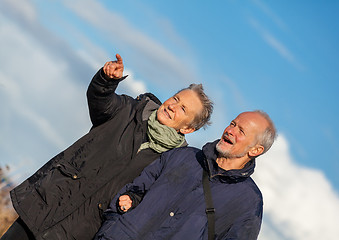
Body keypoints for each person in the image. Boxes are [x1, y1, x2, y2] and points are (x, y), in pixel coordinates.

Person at [3, 54, 213, 240]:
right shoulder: (130, 109)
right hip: (46, 206)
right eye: (176, 98)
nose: (173, 106)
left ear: (188, 129)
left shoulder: (173, 162)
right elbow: (101, 102)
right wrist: (106, 81)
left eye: (183, 109)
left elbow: (149, 200)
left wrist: (132, 200)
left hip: (81, 231)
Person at [94, 110, 277, 240]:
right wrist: (113, 228)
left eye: (241, 131)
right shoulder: (183, 155)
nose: (230, 130)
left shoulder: (249, 201)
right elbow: (134, 190)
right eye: (232, 123)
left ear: (256, 150)